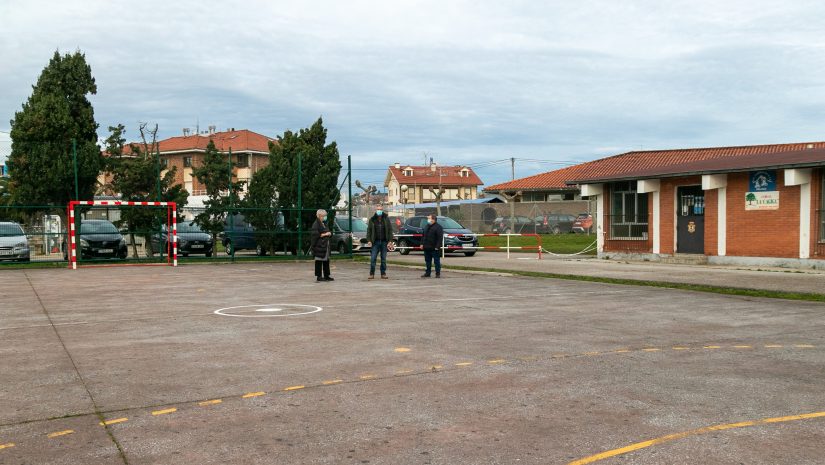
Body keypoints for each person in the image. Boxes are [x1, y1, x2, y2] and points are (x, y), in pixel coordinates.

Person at [366, 204, 394, 279]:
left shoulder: (386, 219)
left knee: (383, 259)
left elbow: (390, 230)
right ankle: (372, 273)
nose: (379, 211)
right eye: (378, 209)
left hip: (384, 242)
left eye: (381, 209)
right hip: (375, 242)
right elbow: (369, 231)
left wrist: (390, 241)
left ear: (382, 210)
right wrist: (369, 240)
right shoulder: (372, 219)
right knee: (373, 258)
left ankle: (383, 273)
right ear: (376, 210)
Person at [310, 209, 333, 282]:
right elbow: (315, 234)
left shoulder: (324, 223)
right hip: (319, 246)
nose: (325, 217)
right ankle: (319, 276)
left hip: (325, 246)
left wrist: (329, 233)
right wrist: (326, 234)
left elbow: (327, 231)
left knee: (326, 261)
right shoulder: (316, 224)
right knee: (319, 261)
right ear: (319, 216)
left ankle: (327, 275)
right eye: (324, 216)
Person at [421, 214, 444, 278]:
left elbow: (440, 238)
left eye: (429, 218)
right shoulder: (427, 226)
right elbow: (423, 236)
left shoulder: (438, 227)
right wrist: (421, 244)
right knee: (427, 261)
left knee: (436, 261)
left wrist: (437, 247)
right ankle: (428, 273)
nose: (428, 220)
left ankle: (437, 273)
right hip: (426, 247)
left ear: (433, 219)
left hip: (434, 248)